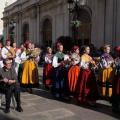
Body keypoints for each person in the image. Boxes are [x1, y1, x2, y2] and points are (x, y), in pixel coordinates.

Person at [111, 46, 120, 113]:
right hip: (118, 77)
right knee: (117, 91)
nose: (116, 53)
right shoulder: (117, 60)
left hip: (118, 77)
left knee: (117, 91)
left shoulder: (118, 60)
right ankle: (116, 107)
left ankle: (116, 106)